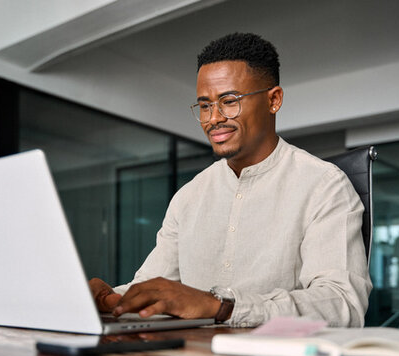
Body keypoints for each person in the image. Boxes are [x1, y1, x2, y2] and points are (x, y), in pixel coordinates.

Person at [88, 33, 372, 327]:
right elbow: (152, 289)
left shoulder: (325, 185)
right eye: (205, 106)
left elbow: (342, 303)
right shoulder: (188, 197)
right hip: (190, 348)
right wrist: (106, 299)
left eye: (229, 101)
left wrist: (221, 307)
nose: (213, 118)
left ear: (273, 100)